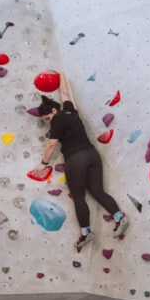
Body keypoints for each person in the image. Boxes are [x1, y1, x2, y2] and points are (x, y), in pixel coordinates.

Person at [30, 72, 129, 251]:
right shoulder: (69, 110)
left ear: (53, 111)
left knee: (78, 197)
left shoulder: (57, 120)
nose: (48, 122)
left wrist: (43, 164)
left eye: (47, 119)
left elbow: (51, 144)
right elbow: (65, 94)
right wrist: (59, 74)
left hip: (76, 159)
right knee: (98, 191)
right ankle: (119, 217)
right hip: (92, 155)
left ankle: (86, 233)